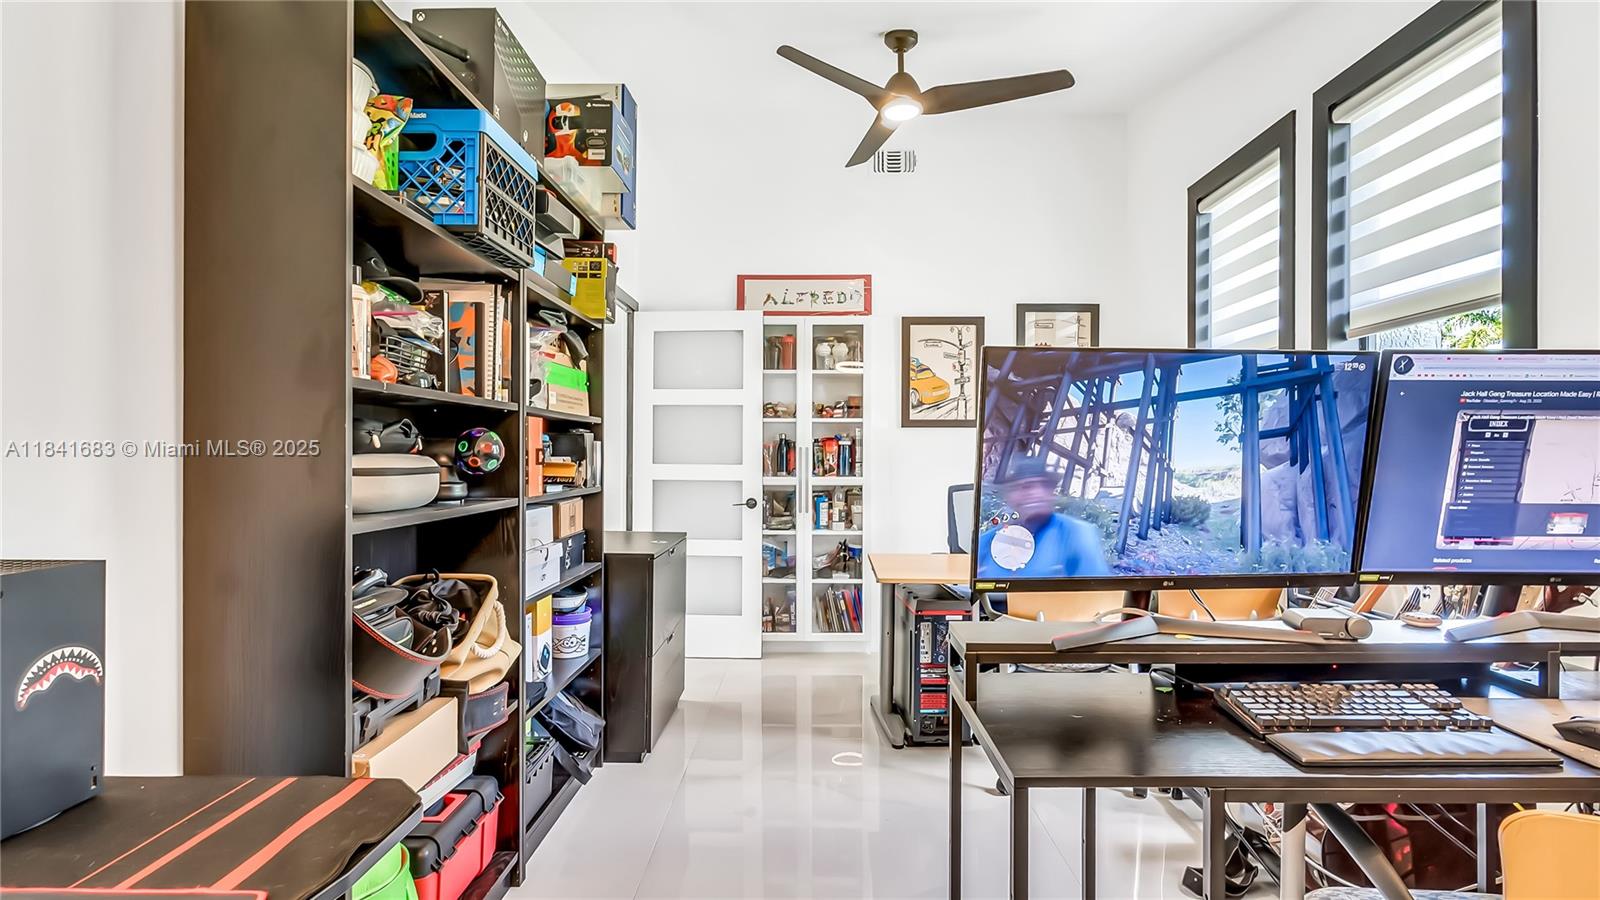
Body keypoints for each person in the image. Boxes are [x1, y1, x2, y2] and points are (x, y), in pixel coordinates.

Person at [977, 472, 1112, 578]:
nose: (1032, 493)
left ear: (1051, 493)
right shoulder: (989, 540)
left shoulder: (1077, 533)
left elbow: (1097, 592)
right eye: (1022, 487)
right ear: (1009, 497)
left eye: (1041, 486)